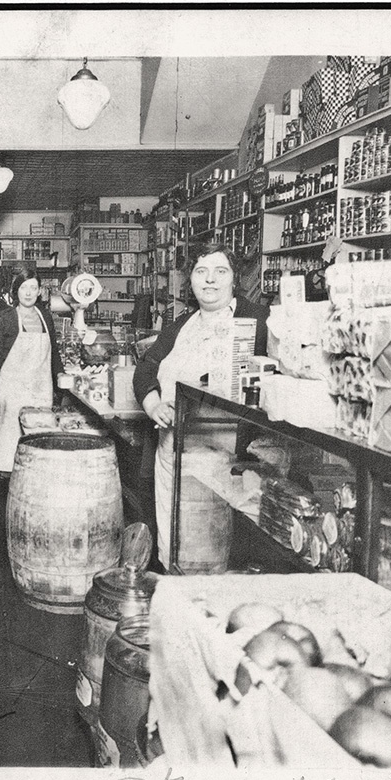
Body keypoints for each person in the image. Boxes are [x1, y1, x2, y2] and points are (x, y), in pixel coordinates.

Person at [132, 243, 269, 568]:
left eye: (220, 272)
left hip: (231, 464)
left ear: (234, 278)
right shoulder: (182, 324)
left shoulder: (259, 321)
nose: (210, 280)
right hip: (175, 458)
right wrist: (153, 405)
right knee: (177, 553)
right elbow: (146, 368)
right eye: (201, 272)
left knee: (223, 558)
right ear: (190, 279)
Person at [0, 271, 62, 475]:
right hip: (12, 395)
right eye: (23, 288)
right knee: (9, 455)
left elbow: (54, 354)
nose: (28, 293)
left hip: (40, 392)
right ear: (15, 291)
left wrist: (62, 379)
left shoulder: (45, 317)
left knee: (39, 454)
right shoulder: (5, 319)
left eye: (33, 288)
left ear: (39, 292)